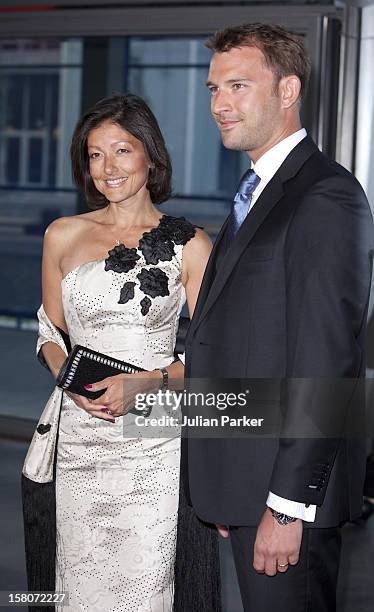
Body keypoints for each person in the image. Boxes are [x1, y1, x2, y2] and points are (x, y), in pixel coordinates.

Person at [183, 23, 373, 612]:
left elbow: (325, 363)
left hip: (285, 498)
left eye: (238, 86)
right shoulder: (258, 191)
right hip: (245, 482)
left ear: (288, 91)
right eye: (214, 89)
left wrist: (287, 506)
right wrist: (224, 480)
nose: (219, 104)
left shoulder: (324, 196)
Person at [22, 93, 213, 611]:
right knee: (77, 579)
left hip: (155, 441)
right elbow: (50, 333)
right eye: (95, 154)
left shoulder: (190, 244)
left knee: (146, 583)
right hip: (79, 436)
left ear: (151, 155)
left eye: (122, 151)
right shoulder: (63, 234)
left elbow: (213, 352)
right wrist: (69, 381)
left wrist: (151, 383)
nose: (107, 167)